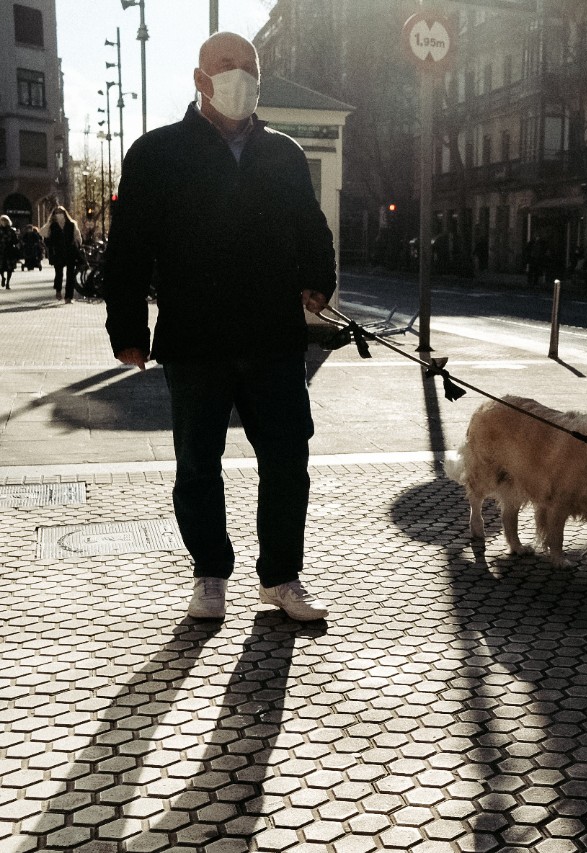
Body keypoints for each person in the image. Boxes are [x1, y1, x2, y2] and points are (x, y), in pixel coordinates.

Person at [104, 31, 336, 623]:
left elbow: (310, 228)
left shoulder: (283, 153)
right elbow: (129, 248)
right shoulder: (156, 154)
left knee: (287, 459)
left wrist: (318, 278)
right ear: (201, 79)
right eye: (227, 65)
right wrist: (127, 327)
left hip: (273, 337)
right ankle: (210, 575)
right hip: (196, 337)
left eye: (250, 66)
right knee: (198, 465)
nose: (241, 76)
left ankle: (281, 577)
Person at [40, 206, 82, 303]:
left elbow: (77, 237)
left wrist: (77, 245)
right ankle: (58, 290)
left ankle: (69, 297)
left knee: (70, 275)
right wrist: (49, 222)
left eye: (61, 212)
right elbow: (43, 233)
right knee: (59, 273)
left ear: (65, 213)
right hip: (57, 252)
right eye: (57, 212)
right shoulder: (52, 225)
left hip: (70, 251)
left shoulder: (71, 224)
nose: (59, 214)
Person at [0, 216, 19, 290]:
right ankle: (3, 278)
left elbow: (16, 240)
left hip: (9, 250)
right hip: (1, 250)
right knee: (0, 267)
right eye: (2, 221)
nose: (3, 222)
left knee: (9, 268)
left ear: (8, 221)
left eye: (5, 221)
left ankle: (8, 283)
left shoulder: (11, 230)